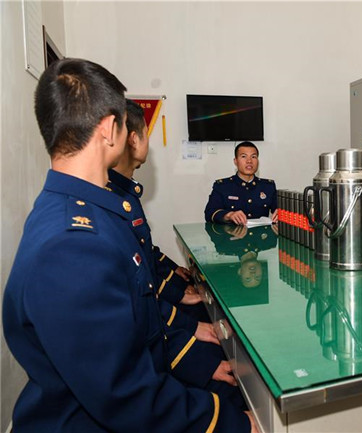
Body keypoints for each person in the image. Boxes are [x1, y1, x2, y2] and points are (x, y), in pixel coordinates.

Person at [2, 58, 255, 432]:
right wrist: (231, 424)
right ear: (109, 129)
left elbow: (137, 325)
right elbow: (127, 397)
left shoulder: (90, 211)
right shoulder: (73, 245)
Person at [109, 100, 245, 403]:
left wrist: (178, 291)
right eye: (147, 133)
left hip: (160, 329)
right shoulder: (110, 203)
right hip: (152, 357)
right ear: (134, 139)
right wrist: (192, 338)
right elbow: (138, 297)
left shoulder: (124, 194)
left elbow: (146, 257)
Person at [205, 141, 277, 225]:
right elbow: (209, 213)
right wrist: (229, 215)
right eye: (243, 156)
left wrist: (280, 214)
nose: (249, 161)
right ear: (235, 161)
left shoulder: (268, 186)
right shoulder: (222, 186)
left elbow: (279, 210)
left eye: (253, 157)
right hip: (232, 233)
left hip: (260, 232)